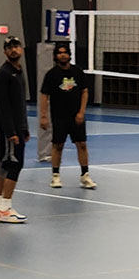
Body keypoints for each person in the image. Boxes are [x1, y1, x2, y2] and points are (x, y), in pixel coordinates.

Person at [40, 41, 96, 189]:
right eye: (59, 53)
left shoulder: (77, 72)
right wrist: (44, 116)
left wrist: (81, 112)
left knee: (82, 144)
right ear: (56, 56)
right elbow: (44, 95)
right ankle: (55, 176)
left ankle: (85, 175)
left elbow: (84, 91)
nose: (63, 55)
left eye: (65, 52)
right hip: (59, 116)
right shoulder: (51, 75)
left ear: (69, 55)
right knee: (58, 145)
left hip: (76, 116)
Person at [0, 35, 30, 223]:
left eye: (17, 46)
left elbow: (20, 104)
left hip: (17, 127)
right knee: (14, 164)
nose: (14, 50)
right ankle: (5, 208)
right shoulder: (3, 74)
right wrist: (11, 132)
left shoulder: (18, 71)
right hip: (8, 129)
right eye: (10, 47)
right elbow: (3, 107)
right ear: (5, 52)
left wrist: (24, 128)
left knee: (4, 165)